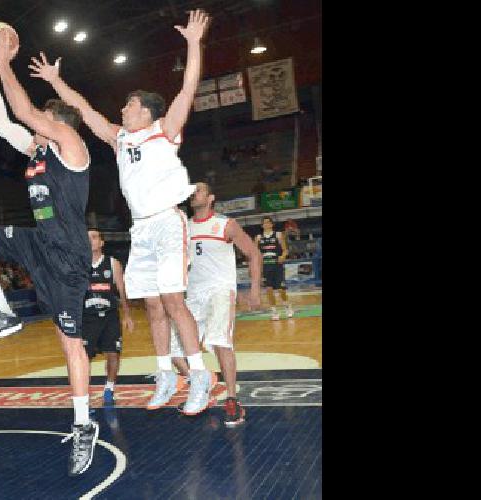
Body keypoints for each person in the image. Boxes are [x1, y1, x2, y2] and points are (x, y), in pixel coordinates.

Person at [28, 9, 216, 415]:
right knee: (151, 305)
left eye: (130, 106)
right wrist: (57, 81)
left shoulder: (164, 130)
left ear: (146, 111)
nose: (123, 110)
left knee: (172, 299)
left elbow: (188, 88)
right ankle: (166, 372)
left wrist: (194, 43)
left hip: (168, 220)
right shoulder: (118, 139)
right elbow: (83, 107)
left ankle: (200, 374)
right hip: (141, 229)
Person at [0, 30, 98, 476]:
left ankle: (82, 425)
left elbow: (21, 110)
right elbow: (3, 121)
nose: (32, 124)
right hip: (38, 240)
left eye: (42, 119)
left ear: (56, 122)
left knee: (70, 343)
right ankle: (2, 312)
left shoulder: (72, 149)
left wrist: (4, 60)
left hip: (69, 256)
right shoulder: (37, 149)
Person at [169, 182, 263, 427]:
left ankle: (232, 400)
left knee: (221, 342)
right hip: (193, 295)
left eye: (198, 190)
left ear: (210, 198)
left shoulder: (225, 224)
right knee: (175, 353)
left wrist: (254, 290)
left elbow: (254, 253)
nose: (193, 194)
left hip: (220, 290)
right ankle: (202, 385)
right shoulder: (184, 228)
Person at [83, 230, 134, 406]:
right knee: (84, 357)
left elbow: (121, 291)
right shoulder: (79, 264)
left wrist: (127, 315)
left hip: (110, 316)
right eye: (87, 238)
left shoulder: (112, 263)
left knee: (113, 353)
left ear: (102, 242)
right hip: (87, 318)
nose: (90, 241)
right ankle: (83, 390)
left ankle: (109, 389)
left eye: (94, 237)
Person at [255, 216, 293, 320]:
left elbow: (285, 250)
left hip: (277, 265)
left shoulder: (278, 235)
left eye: (268, 222)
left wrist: (282, 256)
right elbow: (255, 254)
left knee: (281, 289)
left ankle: (287, 306)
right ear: (262, 225)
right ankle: (274, 312)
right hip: (266, 266)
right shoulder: (258, 237)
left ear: (272, 224)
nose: (266, 224)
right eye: (264, 223)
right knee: (269, 289)